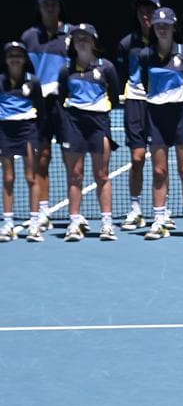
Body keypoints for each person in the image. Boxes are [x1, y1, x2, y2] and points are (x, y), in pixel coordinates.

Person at [139, 7, 183, 241]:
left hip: (181, 113)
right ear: (153, 28)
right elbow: (146, 83)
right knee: (158, 170)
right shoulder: (146, 55)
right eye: (158, 25)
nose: (162, 29)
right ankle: (159, 220)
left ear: (174, 27)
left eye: (166, 25)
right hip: (155, 115)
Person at [56, 23, 119, 242]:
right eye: (77, 38)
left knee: (101, 174)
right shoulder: (66, 70)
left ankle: (107, 223)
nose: (81, 41)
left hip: (99, 123)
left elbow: (115, 97)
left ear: (93, 41)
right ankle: (74, 223)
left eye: (85, 37)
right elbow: (61, 97)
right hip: (74, 124)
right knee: (75, 174)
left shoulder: (106, 67)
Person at [20, 0, 69, 236]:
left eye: (54, 3)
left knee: (73, 161)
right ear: (39, 8)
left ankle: (75, 216)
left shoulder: (71, 35)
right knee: (42, 157)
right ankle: (43, 211)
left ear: (59, 6)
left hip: (65, 106)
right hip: (39, 106)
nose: (50, 7)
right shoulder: (29, 37)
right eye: (46, 4)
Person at [117, 0, 160, 232]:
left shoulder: (164, 40)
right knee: (137, 158)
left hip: (160, 103)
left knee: (161, 164)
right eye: (142, 9)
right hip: (135, 101)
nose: (146, 14)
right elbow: (122, 73)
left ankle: (159, 212)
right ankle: (135, 208)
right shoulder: (126, 44)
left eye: (150, 9)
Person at [0, 42, 43, 242]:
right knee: (8, 178)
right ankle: (8, 224)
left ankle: (34, 224)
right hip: (5, 130)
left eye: (18, 55)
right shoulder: (1, 81)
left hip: (28, 129)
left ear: (24, 59)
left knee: (31, 177)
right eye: (11, 55)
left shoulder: (33, 81)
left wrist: (38, 133)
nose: (14, 58)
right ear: (6, 59)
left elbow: (40, 108)